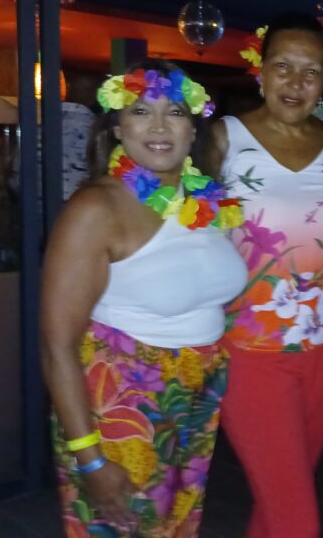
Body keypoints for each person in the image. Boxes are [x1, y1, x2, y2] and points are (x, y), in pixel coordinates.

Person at [40, 60, 247, 537]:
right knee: (126, 527)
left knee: (176, 528)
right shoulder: (95, 209)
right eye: (139, 110)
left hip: (196, 394)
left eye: (174, 111)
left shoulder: (208, 202)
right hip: (124, 401)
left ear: (193, 129)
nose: (158, 126)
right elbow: (57, 348)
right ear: (116, 127)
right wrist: (90, 460)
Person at [204, 13, 323, 538]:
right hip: (251, 354)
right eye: (283, 67)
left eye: (310, 71)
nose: (295, 82)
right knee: (298, 519)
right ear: (260, 72)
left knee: (277, 505)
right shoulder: (223, 139)